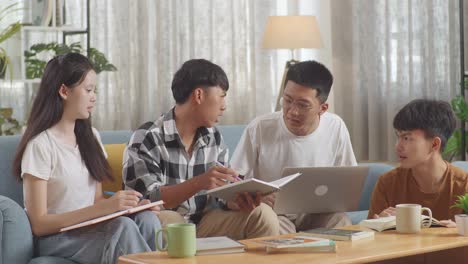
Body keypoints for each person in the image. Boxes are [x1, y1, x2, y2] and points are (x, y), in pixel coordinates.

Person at [12, 53, 161, 264]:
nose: (94, 97)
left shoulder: (92, 138)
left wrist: (132, 207)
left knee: (147, 220)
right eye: (88, 90)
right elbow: (39, 223)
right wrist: (102, 209)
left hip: (91, 227)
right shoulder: (40, 146)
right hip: (57, 238)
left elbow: (97, 200)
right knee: (123, 227)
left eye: (95, 91)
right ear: (64, 91)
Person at [123, 59, 280, 240]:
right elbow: (147, 200)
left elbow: (221, 198)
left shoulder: (214, 138)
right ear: (199, 95)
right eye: (222, 95)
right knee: (167, 220)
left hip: (206, 222)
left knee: (263, 214)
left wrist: (237, 200)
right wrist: (199, 182)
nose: (224, 105)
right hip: (167, 220)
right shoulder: (147, 137)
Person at [230, 60, 357, 234]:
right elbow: (234, 180)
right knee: (278, 229)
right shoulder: (260, 127)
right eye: (288, 100)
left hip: (316, 213)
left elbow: (348, 180)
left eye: (303, 105)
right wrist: (256, 196)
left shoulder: (336, 126)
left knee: (341, 220)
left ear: (323, 108)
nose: (292, 111)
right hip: (276, 214)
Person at [368, 99, 468, 226]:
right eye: (398, 136)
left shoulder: (464, 186)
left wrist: (459, 232)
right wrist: (378, 226)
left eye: (406, 138)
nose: (398, 146)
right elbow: (368, 241)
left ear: (434, 144)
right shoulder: (387, 183)